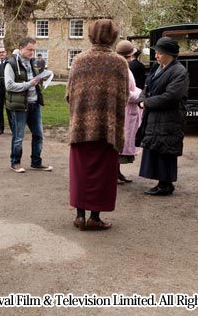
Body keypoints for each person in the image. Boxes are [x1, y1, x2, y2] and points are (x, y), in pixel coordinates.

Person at [66, 20, 128, 231]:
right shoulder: (119, 62)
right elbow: (124, 97)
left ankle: (79, 216)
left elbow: (68, 94)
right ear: (113, 36)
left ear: (91, 34)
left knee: (81, 171)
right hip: (107, 128)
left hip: (81, 127)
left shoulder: (79, 60)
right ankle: (95, 217)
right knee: (103, 173)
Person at [137, 36, 189, 196]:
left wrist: (147, 103)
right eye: (156, 52)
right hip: (155, 117)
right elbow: (146, 87)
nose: (156, 56)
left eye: (159, 53)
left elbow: (171, 96)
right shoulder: (157, 68)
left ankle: (165, 184)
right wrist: (142, 99)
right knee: (156, 147)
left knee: (165, 149)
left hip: (169, 118)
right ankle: (162, 182)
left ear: (169, 54)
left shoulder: (180, 71)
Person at [4, 37, 52, 173]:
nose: (32, 52)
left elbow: (35, 80)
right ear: (21, 48)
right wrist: (28, 84)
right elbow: (9, 85)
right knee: (18, 136)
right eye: (29, 49)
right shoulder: (11, 63)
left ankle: (36, 162)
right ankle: (15, 162)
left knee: (38, 134)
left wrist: (42, 78)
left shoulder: (33, 62)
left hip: (34, 103)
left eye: (33, 50)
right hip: (19, 105)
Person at [115, 40, 142, 184]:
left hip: (129, 110)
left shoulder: (125, 67)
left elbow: (131, 88)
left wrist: (139, 92)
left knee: (123, 142)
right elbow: (124, 92)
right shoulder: (121, 69)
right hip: (124, 111)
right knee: (120, 143)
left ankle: (118, 172)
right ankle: (114, 173)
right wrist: (141, 96)